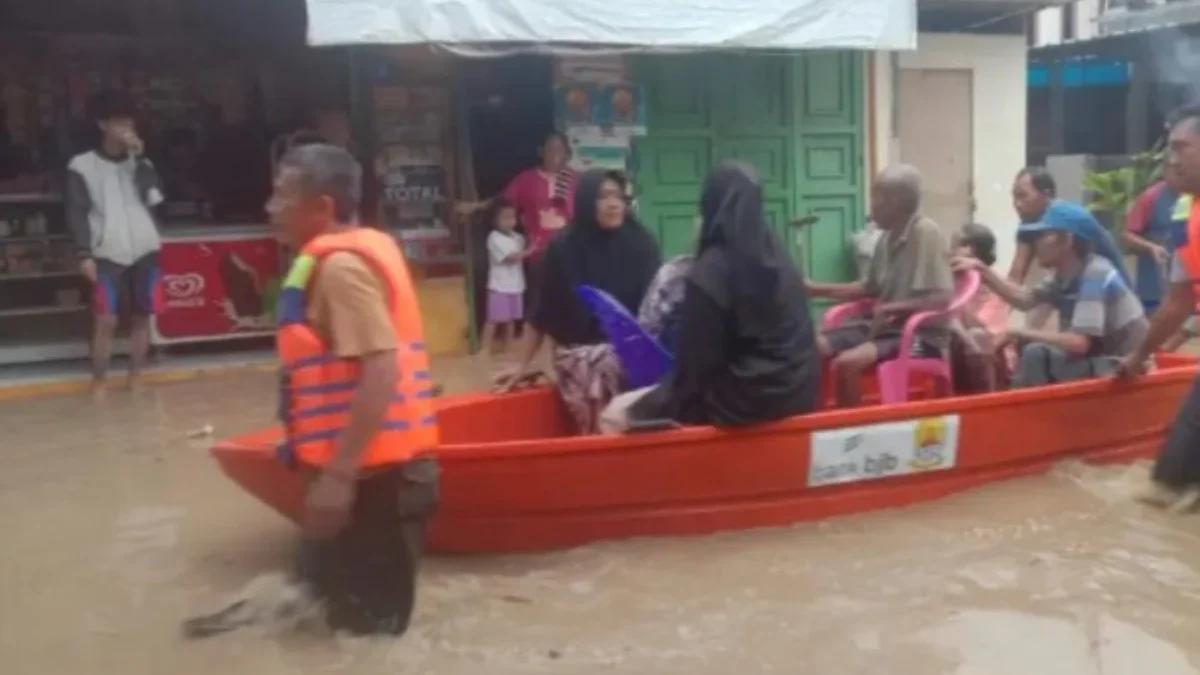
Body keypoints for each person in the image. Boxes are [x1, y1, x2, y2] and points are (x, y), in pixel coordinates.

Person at [183, 144, 439, 638]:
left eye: (281, 195)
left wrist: (338, 478)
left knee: (368, 641)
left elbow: (381, 370)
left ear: (322, 207)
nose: (269, 207)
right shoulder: (323, 263)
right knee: (312, 613)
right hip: (352, 475)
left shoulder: (342, 270)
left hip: (378, 484)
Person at [599, 162, 821, 432]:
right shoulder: (780, 257)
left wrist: (657, 402)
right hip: (799, 394)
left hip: (744, 402)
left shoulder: (711, 270)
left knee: (614, 414)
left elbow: (696, 369)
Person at [502, 169, 661, 433]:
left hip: (632, 355)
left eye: (619, 196)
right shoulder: (563, 249)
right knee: (598, 373)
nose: (614, 204)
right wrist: (520, 365)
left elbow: (658, 309)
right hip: (576, 358)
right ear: (586, 201)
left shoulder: (642, 245)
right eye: (603, 197)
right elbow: (541, 312)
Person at [953, 201, 1147, 388]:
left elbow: (1079, 343)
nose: (1034, 244)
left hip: (1124, 367)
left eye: (1041, 236)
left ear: (1065, 240)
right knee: (1031, 349)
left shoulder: (1096, 273)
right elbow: (1024, 299)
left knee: (1035, 353)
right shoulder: (1063, 276)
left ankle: (1024, 415)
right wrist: (982, 270)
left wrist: (1016, 332)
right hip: (1099, 364)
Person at [808, 164, 955, 408]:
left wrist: (892, 308)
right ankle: (820, 419)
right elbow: (868, 288)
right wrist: (816, 289)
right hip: (881, 328)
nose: (871, 207)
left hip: (920, 336)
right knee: (813, 346)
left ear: (895, 202)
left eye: (875, 198)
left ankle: (855, 434)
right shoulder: (886, 238)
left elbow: (943, 298)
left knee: (848, 363)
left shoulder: (926, 232)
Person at [1117, 102, 1200, 511]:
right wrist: (1139, 353)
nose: (1171, 159)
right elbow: (1179, 301)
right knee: (1167, 480)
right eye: (1169, 149)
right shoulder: (1189, 216)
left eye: (1181, 147)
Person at [67, 91, 164, 394]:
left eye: (129, 122)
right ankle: (99, 381)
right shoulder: (81, 165)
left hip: (145, 249)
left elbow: (155, 198)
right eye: (119, 122)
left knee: (141, 316)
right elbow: (77, 211)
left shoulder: (142, 162)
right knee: (106, 319)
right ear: (102, 124)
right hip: (106, 251)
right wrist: (84, 253)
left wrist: (139, 159)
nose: (126, 128)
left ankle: (135, 377)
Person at [948, 223, 1012, 391]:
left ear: (970, 250)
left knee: (976, 336)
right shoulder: (951, 281)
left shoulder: (994, 286)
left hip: (990, 352)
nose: (949, 252)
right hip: (961, 348)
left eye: (956, 246)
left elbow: (985, 330)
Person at [481, 198, 530, 355]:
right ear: (495, 220)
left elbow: (524, 247)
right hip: (499, 286)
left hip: (516, 285)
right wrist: (530, 251)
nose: (511, 221)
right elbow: (511, 258)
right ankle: (484, 349)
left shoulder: (518, 238)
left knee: (510, 321)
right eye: (506, 217)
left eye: (513, 217)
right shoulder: (493, 237)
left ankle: (507, 349)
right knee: (494, 320)